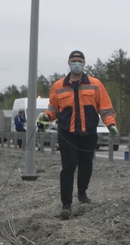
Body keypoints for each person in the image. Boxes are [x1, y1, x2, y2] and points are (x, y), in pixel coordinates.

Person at [38, 51, 118, 220]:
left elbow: (105, 108)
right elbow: (53, 109)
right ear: (68, 62)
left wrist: (111, 124)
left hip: (88, 133)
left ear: (84, 63)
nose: (76, 64)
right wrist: (46, 116)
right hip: (67, 134)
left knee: (86, 165)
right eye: (74, 61)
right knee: (68, 166)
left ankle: (82, 192)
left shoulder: (95, 84)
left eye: (79, 61)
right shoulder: (58, 86)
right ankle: (66, 204)